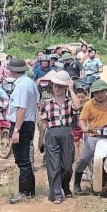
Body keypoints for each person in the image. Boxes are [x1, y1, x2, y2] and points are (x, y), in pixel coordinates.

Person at [38, 69, 78, 204]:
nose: (58, 89)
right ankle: (56, 194)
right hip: (52, 134)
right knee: (54, 166)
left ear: (65, 88)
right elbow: (43, 122)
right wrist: (41, 140)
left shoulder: (69, 102)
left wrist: (71, 89)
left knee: (67, 166)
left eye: (61, 86)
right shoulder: (47, 103)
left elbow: (77, 107)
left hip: (66, 133)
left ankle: (65, 187)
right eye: (55, 86)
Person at [5, 57, 39, 202]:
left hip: (22, 124)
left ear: (13, 70)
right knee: (25, 159)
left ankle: (24, 192)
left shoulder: (21, 86)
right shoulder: (30, 83)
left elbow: (21, 109)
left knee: (22, 159)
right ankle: (30, 191)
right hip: (28, 123)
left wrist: (16, 130)